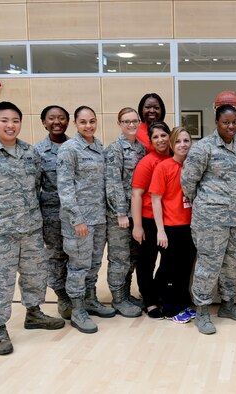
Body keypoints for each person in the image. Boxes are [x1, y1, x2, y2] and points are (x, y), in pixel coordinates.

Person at [0, 102, 64, 355]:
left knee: (35, 275)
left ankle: (34, 313)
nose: (10, 125)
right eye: (4, 120)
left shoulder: (30, 153)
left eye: (15, 120)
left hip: (29, 228)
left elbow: (37, 186)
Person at [182, 104, 236, 335]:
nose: (231, 126)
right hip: (210, 220)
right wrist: (207, 204)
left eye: (234, 122)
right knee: (208, 266)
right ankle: (202, 311)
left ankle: (227, 305)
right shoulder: (203, 148)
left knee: (232, 265)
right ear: (216, 123)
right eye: (226, 122)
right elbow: (188, 182)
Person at [58, 105, 114, 334]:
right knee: (78, 266)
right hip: (79, 221)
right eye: (83, 122)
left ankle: (90, 299)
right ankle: (77, 309)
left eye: (92, 121)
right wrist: (77, 219)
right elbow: (65, 187)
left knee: (93, 264)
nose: (88, 126)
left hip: (98, 217)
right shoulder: (69, 149)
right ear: (75, 124)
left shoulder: (98, 146)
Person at [150, 127, 197, 324]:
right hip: (171, 228)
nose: (183, 145)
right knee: (170, 269)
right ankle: (169, 308)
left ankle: (183, 303)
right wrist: (160, 230)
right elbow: (155, 199)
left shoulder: (193, 167)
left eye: (186, 141)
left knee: (185, 269)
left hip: (190, 227)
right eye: (178, 141)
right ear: (171, 145)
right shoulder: (164, 167)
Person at [104, 107, 146, 318]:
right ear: (119, 124)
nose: (131, 125)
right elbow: (112, 184)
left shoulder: (140, 148)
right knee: (119, 258)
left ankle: (126, 294)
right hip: (119, 215)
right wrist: (120, 213)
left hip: (136, 213)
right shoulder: (115, 149)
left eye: (134, 121)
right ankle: (118, 298)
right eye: (126, 121)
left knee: (132, 257)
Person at [131, 122, 172, 319]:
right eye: (155, 137)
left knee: (168, 262)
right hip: (148, 220)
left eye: (163, 135)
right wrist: (137, 226)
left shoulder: (175, 157)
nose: (160, 140)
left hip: (170, 220)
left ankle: (157, 292)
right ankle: (150, 301)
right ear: (151, 140)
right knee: (147, 263)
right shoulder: (148, 162)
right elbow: (136, 194)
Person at [35, 105, 71, 320]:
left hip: (78, 213)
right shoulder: (37, 151)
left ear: (68, 121)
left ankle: (78, 293)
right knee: (56, 256)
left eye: (61, 118)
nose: (57, 122)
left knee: (76, 255)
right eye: (51, 118)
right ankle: (62, 295)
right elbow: (34, 187)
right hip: (52, 214)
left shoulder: (77, 146)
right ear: (44, 122)